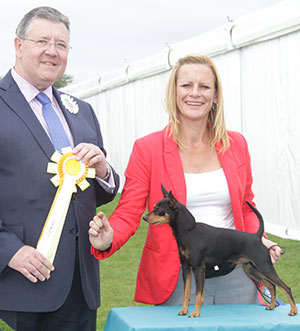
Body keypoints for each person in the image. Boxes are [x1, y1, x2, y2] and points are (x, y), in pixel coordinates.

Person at [89, 54, 282, 307]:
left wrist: (260, 240)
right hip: (179, 278)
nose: (195, 93)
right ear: (174, 92)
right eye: (186, 85)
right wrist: (108, 239)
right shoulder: (147, 148)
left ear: (215, 96)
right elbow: (128, 211)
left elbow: (246, 207)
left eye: (204, 86)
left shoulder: (236, 145)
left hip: (236, 276)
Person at [0, 6, 119, 331]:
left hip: (80, 283)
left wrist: (104, 171)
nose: (52, 51)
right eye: (42, 41)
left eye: (61, 45)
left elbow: (96, 192)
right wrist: (9, 251)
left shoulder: (82, 111)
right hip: (22, 277)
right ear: (18, 45)